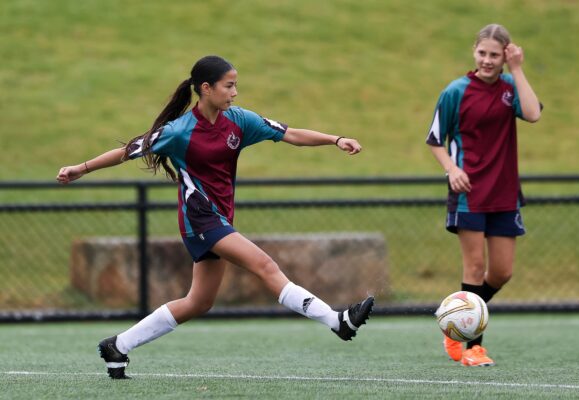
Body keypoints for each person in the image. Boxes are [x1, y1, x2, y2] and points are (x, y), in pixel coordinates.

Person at [57, 55, 374, 379]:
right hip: (200, 221)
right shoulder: (178, 131)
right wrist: (80, 169)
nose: (235, 92)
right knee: (265, 266)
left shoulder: (238, 121)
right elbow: (128, 151)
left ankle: (117, 346)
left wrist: (335, 139)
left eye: (235, 84)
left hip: (219, 220)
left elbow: (290, 134)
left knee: (198, 302)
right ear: (206, 89)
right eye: (229, 85)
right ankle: (338, 322)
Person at [426, 24, 541, 367]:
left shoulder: (511, 86)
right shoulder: (455, 92)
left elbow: (533, 114)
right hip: (469, 193)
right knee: (475, 267)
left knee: (502, 272)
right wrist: (452, 169)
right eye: (482, 53)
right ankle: (473, 348)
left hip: (505, 193)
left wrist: (518, 69)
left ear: (505, 55)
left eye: (495, 55)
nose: (487, 61)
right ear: (474, 52)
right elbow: (434, 140)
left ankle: (455, 323)